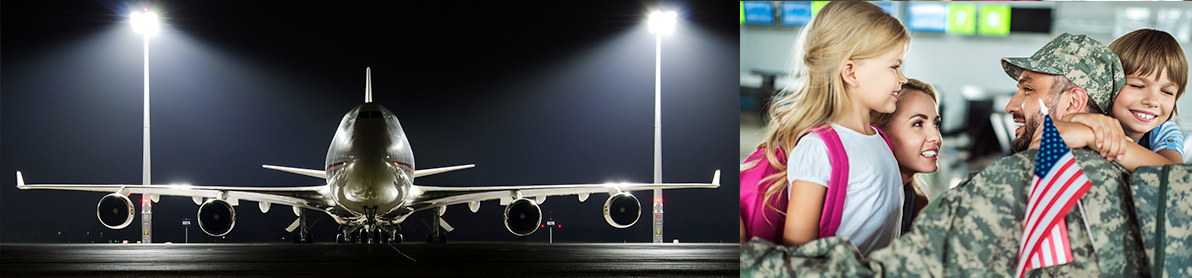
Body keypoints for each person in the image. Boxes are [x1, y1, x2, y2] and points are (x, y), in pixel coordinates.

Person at [743, 33, 1172, 277]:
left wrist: (743, 259)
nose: (1010, 105)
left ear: (1074, 100)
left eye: (1027, 89)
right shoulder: (1119, 177)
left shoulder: (1026, 181)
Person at [739, 1, 908, 255]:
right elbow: (798, 256)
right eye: (895, 66)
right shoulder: (818, 150)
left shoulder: (881, 139)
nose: (903, 78)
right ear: (850, 72)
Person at [869, 78, 940, 233]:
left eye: (936, 124)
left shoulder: (916, 204)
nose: (936, 137)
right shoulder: (862, 199)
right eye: (918, 123)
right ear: (881, 131)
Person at [1106, 28, 1186, 164]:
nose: (1152, 101)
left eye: (1167, 92)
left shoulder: (1163, 130)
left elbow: (1174, 173)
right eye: (1137, 85)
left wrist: (1122, 147)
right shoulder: (1090, 116)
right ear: (1107, 84)